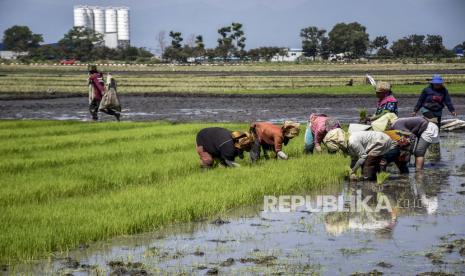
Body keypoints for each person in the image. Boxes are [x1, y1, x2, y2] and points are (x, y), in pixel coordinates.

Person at [323, 129, 406, 181]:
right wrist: (352, 172)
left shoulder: (352, 141)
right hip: (380, 140)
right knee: (369, 163)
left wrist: (353, 170)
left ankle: (368, 184)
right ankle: (374, 180)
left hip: (380, 141)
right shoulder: (349, 142)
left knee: (368, 164)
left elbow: (363, 156)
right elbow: (355, 159)